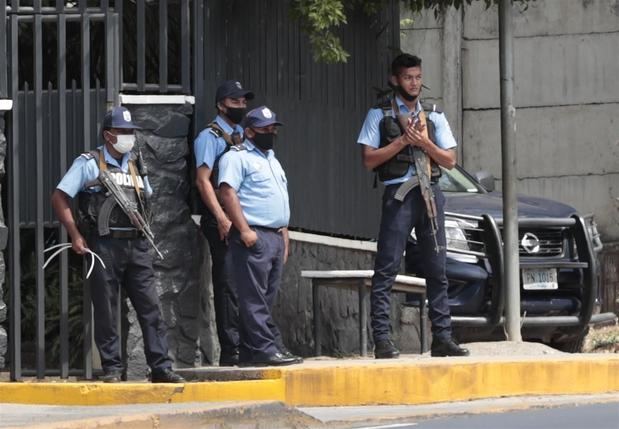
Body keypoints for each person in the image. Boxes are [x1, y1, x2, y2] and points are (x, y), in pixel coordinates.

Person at [51, 106, 185, 382]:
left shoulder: (136, 164)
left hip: (137, 246)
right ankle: (112, 367)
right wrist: (75, 234)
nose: (129, 137)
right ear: (108, 135)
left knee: (150, 308)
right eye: (123, 132)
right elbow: (59, 197)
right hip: (105, 246)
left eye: (131, 132)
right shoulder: (90, 162)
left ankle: (161, 367)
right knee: (106, 309)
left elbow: (146, 200)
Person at [357, 53, 470, 358]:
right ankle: (382, 339)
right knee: (387, 268)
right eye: (408, 77)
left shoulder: (433, 115)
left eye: (418, 77)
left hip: (430, 195)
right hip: (399, 196)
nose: (414, 83)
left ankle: (442, 338)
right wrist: (402, 142)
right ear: (395, 80)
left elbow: (449, 160)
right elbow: (368, 160)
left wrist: (424, 144)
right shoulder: (379, 114)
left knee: (437, 268)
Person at [218, 106, 302, 366]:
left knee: (265, 299)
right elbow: (227, 192)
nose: (271, 133)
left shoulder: (271, 158)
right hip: (254, 235)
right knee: (253, 298)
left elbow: (279, 200)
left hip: (274, 237)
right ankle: (266, 348)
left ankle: (251, 350)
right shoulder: (237, 157)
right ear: (249, 132)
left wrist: (284, 235)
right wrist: (243, 230)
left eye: (273, 128)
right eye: (265, 129)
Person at [194, 80, 254, 366]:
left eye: (243, 101)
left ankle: (250, 343)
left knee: (246, 284)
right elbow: (203, 180)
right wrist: (220, 216)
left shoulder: (244, 135)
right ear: (221, 105)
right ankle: (232, 351)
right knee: (228, 284)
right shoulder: (211, 136)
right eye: (235, 101)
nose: (240, 106)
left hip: (243, 219)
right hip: (222, 221)